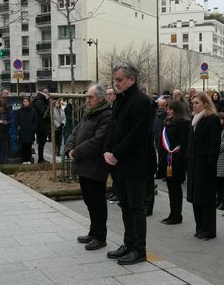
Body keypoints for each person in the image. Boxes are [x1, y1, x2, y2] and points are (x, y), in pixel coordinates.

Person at [104, 62, 156, 265]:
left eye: (119, 80)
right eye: (115, 80)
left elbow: (137, 134)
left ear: (131, 79)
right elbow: (113, 127)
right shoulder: (120, 99)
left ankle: (139, 249)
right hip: (119, 163)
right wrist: (107, 151)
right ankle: (128, 243)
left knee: (136, 207)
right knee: (125, 205)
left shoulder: (142, 101)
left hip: (135, 163)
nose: (116, 83)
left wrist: (116, 153)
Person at [65, 85, 112, 250]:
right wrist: (69, 148)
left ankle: (100, 236)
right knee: (88, 200)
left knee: (97, 202)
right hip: (83, 165)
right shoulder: (88, 114)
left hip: (95, 165)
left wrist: (76, 152)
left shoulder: (106, 115)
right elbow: (74, 132)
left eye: (90, 97)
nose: (87, 100)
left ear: (101, 98)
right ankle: (93, 231)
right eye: (86, 97)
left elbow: (97, 141)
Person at [186, 92, 221, 238]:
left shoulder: (212, 119)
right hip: (194, 164)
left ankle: (209, 230)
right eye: (193, 103)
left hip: (205, 165)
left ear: (205, 104)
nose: (194, 105)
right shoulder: (194, 120)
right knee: (196, 198)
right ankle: (199, 227)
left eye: (197, 103)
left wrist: (210, 163)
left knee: (205, 198)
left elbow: (215, 144)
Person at [159, 99, 189, 225]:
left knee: (176, 188)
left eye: (170, 109)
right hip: (168, 159)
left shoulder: (183, 122)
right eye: (168, 108)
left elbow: (184, 143)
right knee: (170, 187)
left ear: (176, 110)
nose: (168, 111)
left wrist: (180, 159)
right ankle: (172, 213)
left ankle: (177, 215)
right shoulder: (167, 122)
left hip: (176, 159)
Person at [16, 97, 37, 164]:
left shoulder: (33, 110)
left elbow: (35, 120)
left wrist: (33, 127)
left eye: (27, 101)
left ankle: (29, 159)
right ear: (22, 103)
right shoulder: (19, 111)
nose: (25, 103)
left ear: (29, 102)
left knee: (29, 145)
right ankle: (23, 160)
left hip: (30, 130)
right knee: (23, 145)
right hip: (22, 130)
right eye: (24, 101)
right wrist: (19, 126)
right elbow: (17, 120)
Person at [33, 88, 50, 163]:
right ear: (41, 93)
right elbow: (43, 114)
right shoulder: (39, 102)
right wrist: (51, 117)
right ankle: (40, 159)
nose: (47, 93)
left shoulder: (42, 101)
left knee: (42, 143)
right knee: (41, 143)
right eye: (45, 92)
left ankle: (41, 158)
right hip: (41, 125)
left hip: (43, 125)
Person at [153, 97, 168, 179]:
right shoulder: (156, 115)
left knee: (165, 157)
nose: (160, 107)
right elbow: (154, 126)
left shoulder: (167, 115)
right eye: (159, 105)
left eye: (162, 105)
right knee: (160, 156)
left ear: (166, 106)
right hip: (157, 138)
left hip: (165, 139)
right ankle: (160, 173)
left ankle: (166, 174)